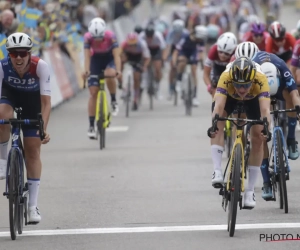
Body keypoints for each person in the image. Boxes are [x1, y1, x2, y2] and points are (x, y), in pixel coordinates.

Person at [0, 32, 51, 224]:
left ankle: (32, 206)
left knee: (32, 150)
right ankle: (3, 161)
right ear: (9, 54)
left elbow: (46, 103)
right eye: (14, 54)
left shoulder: (40, 66)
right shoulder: (2, 66)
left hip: (32, 102)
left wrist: (43, 129)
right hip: (10, 96)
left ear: (29, 53)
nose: (19, 58)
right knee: (3, 116)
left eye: (22, 53)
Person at [207, 56, 271, 209]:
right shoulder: (226, 76)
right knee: (219, 122)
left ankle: (250, 191)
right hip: (229, 97)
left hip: (254, 100)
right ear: (233, 80)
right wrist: (214, 124)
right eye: (238, 85)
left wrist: (266, 128)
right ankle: (217, 171)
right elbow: (219, 105)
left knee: (258, 137)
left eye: (246, 85)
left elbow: (265, 110)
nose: (242, 89)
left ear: (252, 80)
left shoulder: (260, 79)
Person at [251, 52, 300, 199]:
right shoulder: (254, 71)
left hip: (279, 88)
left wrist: (297, 110)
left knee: (290, 97)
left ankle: (291, 139)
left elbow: (295, 95)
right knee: (261, 134)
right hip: (259, 93)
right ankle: (266, 181)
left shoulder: (283, 69)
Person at [83, 17, 121, 139]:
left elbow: (116, 56)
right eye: (96, 38)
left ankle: (114, 100)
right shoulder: (88, 37)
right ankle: (91, 125)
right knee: (93, 92)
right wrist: (87, 70)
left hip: (109, 59)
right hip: (96, 60)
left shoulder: (111, 36)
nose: (98, 41)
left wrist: (118, 70)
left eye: (100, 38)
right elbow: (87, 57)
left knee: (110, 75)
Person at [173, 25, 208, 106]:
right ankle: (179, 80)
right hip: (184, 52)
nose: (199, 40)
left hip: (193, 52)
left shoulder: (201, 40)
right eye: (198, 38)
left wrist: (202, 63)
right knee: (182, 62)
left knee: (194, 71)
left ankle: (194, 96)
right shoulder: (185, 37)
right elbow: (176, 51)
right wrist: (175, 62)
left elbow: (201, 52)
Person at [120, 32, 151, 110]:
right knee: (121, 63)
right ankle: (122, 84)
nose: (132, 46)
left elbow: (147, 58)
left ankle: (135, 99)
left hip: (138, 58)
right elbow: (118, 54)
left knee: (136, 78)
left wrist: (144, 66)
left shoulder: (142, 44)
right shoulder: (124, 44)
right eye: (130, 44)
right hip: (128, 56)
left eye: (134, 44)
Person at [203, 32, 237, 97]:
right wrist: (209, 86)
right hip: (217, 69)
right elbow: (205, 74)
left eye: (226, 53)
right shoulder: (213, 50)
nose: (222, 55)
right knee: (215, 89)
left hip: (230, 71)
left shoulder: (237, 52)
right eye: (220, 52)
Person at [139, 24, 167, 99]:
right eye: (148, 37)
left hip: (156, 50)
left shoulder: (158, 36)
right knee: (143, 65)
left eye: (151, 37)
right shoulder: (141, 36)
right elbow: (138, 48)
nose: (149, 38)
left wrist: (163, 59)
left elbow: (163, 48)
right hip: (146, 49)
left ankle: (157, 87)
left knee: (158, 68)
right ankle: (144, 81)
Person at [165, 19, 189, 99]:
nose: (178, 34)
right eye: (176, 33)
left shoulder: (186, 33)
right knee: (172, 67)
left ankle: (181, 78)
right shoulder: (171, 33)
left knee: (183, 63)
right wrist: (168, 57)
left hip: (183, 48)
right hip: (174, 48)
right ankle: (170, 89)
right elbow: (168, 47)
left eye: (179, 33)